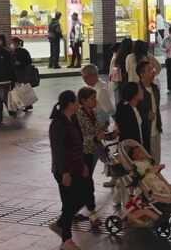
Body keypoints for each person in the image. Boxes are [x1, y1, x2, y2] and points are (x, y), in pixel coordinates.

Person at [48, 90, 93, 250]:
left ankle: (61, 224)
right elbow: (58, 150)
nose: (78, 104)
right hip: (64, 170)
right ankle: (66, 240)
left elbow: (77, 145)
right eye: (75, 102)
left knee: (82, 197)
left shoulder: (72, 119)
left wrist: (83, 165)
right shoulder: (58, 123)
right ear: (70, 104)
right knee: (69, 204)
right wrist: (65, 172)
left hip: (76, 167)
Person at [74, 87, 103, 224]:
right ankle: (92, 213)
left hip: (91, 152)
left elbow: (96, 131)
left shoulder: (92, 112)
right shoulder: (79, 115)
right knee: (86, 183)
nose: (95, 101)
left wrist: (107, 134)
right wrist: (95, 137)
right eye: (92, 98)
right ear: (83, 101)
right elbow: (79, 137)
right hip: (82, 153)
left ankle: (74, 210)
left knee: (84, 182)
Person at [137, 61, 162, 163]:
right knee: (147, 161)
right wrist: (145, 115)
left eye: (153, 69)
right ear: (141, 74)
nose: (153, 72)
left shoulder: (155, 88)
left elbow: (157, 108)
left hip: (156, 129)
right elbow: (134, 111)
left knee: (156, 160)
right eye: (149, 70)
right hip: (144, 131)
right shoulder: (137, 90)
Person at [81, 64, 115, 129]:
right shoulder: (98, 85)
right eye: (83, 77)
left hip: (99, 122)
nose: (84, 80)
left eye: (85, 77)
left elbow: (110, 110)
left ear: (93, 75)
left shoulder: (101, 90)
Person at [10, 37, 34, 112]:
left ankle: (24, 104)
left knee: (21, 89)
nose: (11, 45)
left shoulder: (20, 51)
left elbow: (28, 61)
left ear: (16, 43)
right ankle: (27, 104)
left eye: (12, 43)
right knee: (22, 89)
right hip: (19, 73)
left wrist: (20, 63)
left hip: (20, 73)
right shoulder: (19, 51)